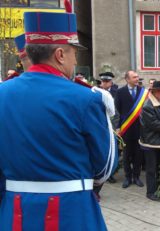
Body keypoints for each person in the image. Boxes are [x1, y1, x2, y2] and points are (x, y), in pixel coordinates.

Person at [0, 11, 117, 230]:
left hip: (15, 211)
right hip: (72, 211)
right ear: (60, 54)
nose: (75, 61)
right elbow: (105, 167)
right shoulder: (86, 97)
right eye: (74, 53)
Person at [115, 71, 145, 188]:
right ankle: (128, 177)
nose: (137, 79)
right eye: (134, 77)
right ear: (127, 79)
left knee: (138, 154)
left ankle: (136, 177)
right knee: (127, 154)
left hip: (139, 129)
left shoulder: (143, 92)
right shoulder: (120, 92)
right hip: (126, 129)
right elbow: (116, 111)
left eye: (137, 77)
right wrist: (117, 127)